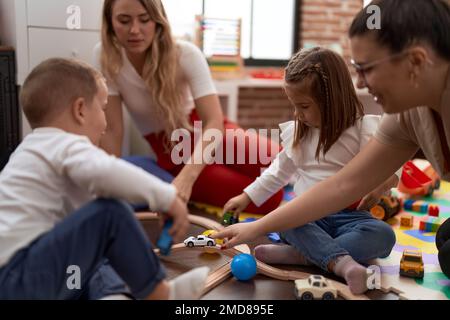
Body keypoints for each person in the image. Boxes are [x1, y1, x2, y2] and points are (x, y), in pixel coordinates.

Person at [212, 0, 450, 281]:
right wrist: (255, 225)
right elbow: (342, 184)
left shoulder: (368, 125)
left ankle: (311, 255)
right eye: (355, 67)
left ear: (416, 61)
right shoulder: (405, 116)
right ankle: (325, 255)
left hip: (349, 220)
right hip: (320, 218)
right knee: (443, 239)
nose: (359, 83)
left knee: (422, 246)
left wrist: (386, 181)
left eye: (366, 68)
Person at [0, 58, 210, 300]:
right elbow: (105, 171)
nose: (105, 121)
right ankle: (161, 294)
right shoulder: (62, 143)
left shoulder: (29, 151)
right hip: (20, 275)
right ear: (80, 110)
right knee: (111, 212)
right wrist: (167, 197)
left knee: (95, 251)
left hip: (24, 280)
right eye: (102, 108)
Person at [221, 47, 397, 294]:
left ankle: (302, 255)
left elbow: (387, 166)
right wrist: (246, 196)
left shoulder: (363, 128)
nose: (297, 114)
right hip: (308, 216)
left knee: (384, 235)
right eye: (294, 106)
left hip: (350, 217)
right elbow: (277, 172)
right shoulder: (299, 133)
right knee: (285, 221)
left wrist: (381, 187)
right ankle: (342, 263)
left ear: (331, 100)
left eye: (303, 106)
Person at [93, 0, 283, 214]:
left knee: (278, 161)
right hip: (173, 153)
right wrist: (109, 183)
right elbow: (112, 130)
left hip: (207, 132)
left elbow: (213, 121)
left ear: (157, 21)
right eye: (124, 21)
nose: (135, 30)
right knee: (270, 198)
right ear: (110, 22)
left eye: (144, 20)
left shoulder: (185, 53)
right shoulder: (105, 57)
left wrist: (187, 177)